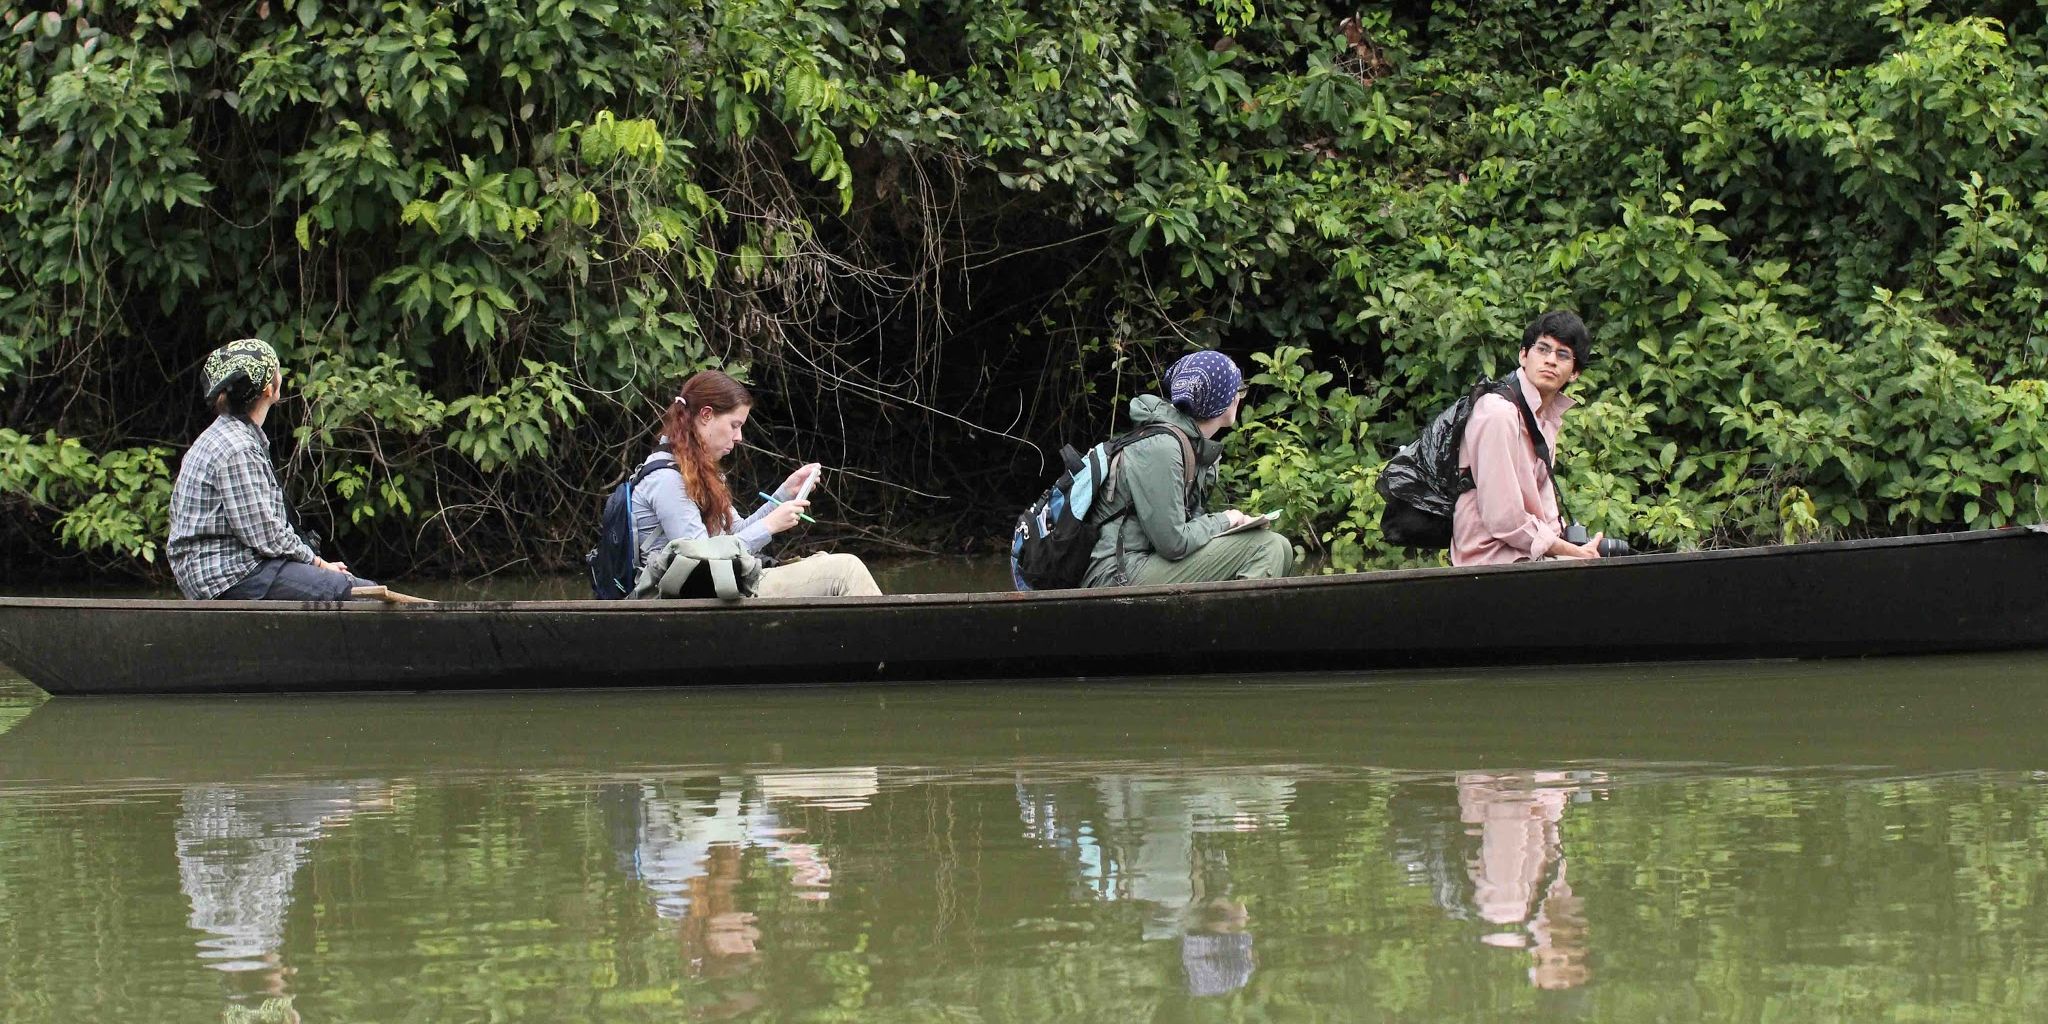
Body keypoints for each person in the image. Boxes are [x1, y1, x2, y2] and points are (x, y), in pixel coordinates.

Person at [632, 370, 881, 597]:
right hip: (688, 600)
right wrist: (769, 525)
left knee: (830, 564)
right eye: (734, 425)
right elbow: (703, 561)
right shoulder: (666, 479)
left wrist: (784, 494)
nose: (739, 437)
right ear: (706, 415)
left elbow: (735, 534)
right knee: (845, 570)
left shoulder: (699, 471)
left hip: (717, 590)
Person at [168, 338, 371, 601]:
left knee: (352, 586)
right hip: (228, 575)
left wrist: (315, 563)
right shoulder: (237, 448)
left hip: (236, 568)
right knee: (361, 594)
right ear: (267, 389)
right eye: (277, 370)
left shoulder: (229, 435)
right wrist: (320, 565)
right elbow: (265, 534)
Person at [1082, 351, 1293, 588]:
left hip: (1148, 563)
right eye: (1237, 392)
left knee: (1282, 546)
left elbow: (1186, 533)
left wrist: (1232, 526)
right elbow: (1173, 542)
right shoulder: (1161, 448)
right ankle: (1235, 625)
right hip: (1116, 574)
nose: (1238, 399)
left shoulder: (1192, 446)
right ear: (1221, 400)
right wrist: (1227, 519)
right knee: (1266, 546)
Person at [1452, 311, 1604, 565]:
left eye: (1563, 354)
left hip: (1528, 562)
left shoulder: (1544, 419)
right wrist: (1574, 553)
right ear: (1524, 355)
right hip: (1487, 564)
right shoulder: (1498, 413)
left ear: (1575, 372)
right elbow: (1503, 518)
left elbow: (1545, 513)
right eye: (1543, 349)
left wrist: (1578, 549)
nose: (1551, 361)